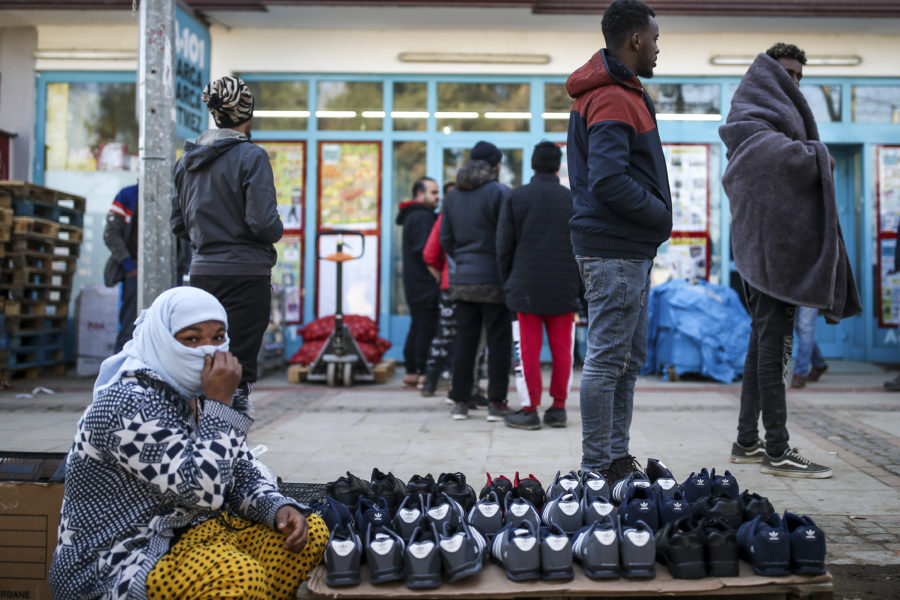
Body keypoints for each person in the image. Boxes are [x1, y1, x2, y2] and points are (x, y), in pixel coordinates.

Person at [49, 286, 327, 600]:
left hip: (194, 536)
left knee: (310, 533)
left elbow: (238, 472)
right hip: (121, 560)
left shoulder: (203, 395)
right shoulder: (127, 402)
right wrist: (221, 405)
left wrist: (279, 508)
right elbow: (202, 491)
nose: (208, 351)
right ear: (163, 340)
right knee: (239, 576)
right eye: (192, 339)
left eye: (218, 337)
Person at [721, 42, 861, 478]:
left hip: (770, 251)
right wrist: (816, 156)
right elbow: (767, 158)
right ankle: (777, 450)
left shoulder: (776, 120)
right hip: (765, 253)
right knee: (776, 346)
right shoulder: (751, 119)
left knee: (759, 344)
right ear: (768, 74)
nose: (793, 81)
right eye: (786, 72)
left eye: (800, 75)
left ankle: (747, 441)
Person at [566, 0, 672, 482]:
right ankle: (595, 470)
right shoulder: (612, 97)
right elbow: (608, 180)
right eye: (654, 38)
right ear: (635, 40)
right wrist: (659, 215)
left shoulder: (620, 92)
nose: (657, 48)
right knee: (609, 361)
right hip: (615, 248)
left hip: (624, 248)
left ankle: (613, 460)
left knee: (627, 360)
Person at [171, 76, 283, 410]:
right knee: (238, 372)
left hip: (203, 275)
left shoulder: (186, 162)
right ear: (247, 114)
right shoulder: (252, 157)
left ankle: (201, 441)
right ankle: (227, 452)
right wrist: (276, 230)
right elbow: (264, 223)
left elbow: (178, 223)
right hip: (246, 277)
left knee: (205, 363)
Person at [497, 141, 581, 430]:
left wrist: (508, 281)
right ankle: (558, 409)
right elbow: (582, 246)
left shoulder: (516, 197)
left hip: (525, 288)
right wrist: (581, 289)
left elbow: (503, 246)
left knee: (527, 352)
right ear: (558, 166)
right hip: (564, 288)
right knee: (563, 351)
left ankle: (529, 409)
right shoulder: (573, 199)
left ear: (532, 164)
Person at [440, 140, 512, 421]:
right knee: (498, 343)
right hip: (495, 280)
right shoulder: (500, 193)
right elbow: (507, 238)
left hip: (463, 280)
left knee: (465, 342)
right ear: (495, 164)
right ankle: (496, 404)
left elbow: (445, 239)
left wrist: (464, 261)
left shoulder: (452, 196)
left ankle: (460, 401)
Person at [396, 176, 441, 388]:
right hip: (424, 284)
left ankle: (412, 370)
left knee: (417, 325)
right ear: (420, 194)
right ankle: (422, 371)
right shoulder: (423, 218)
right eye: (433, 193)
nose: (438, 197)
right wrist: (437, 274)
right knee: (426, 327)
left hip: (414, 283)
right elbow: (426, 252)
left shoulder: (412, 216)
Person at [103, 183, 139, 353]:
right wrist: (129, 267)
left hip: (170, 274)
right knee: (129, 329)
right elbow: (111, 234)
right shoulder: (128, 194)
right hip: (135, 273)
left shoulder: (174, 192)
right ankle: (121, 374)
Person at [791, 306, 829, 388]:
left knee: (805, 327)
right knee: (798, 326)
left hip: (812, 293)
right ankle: (819, 364)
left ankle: (800, 373)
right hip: (792, 293)